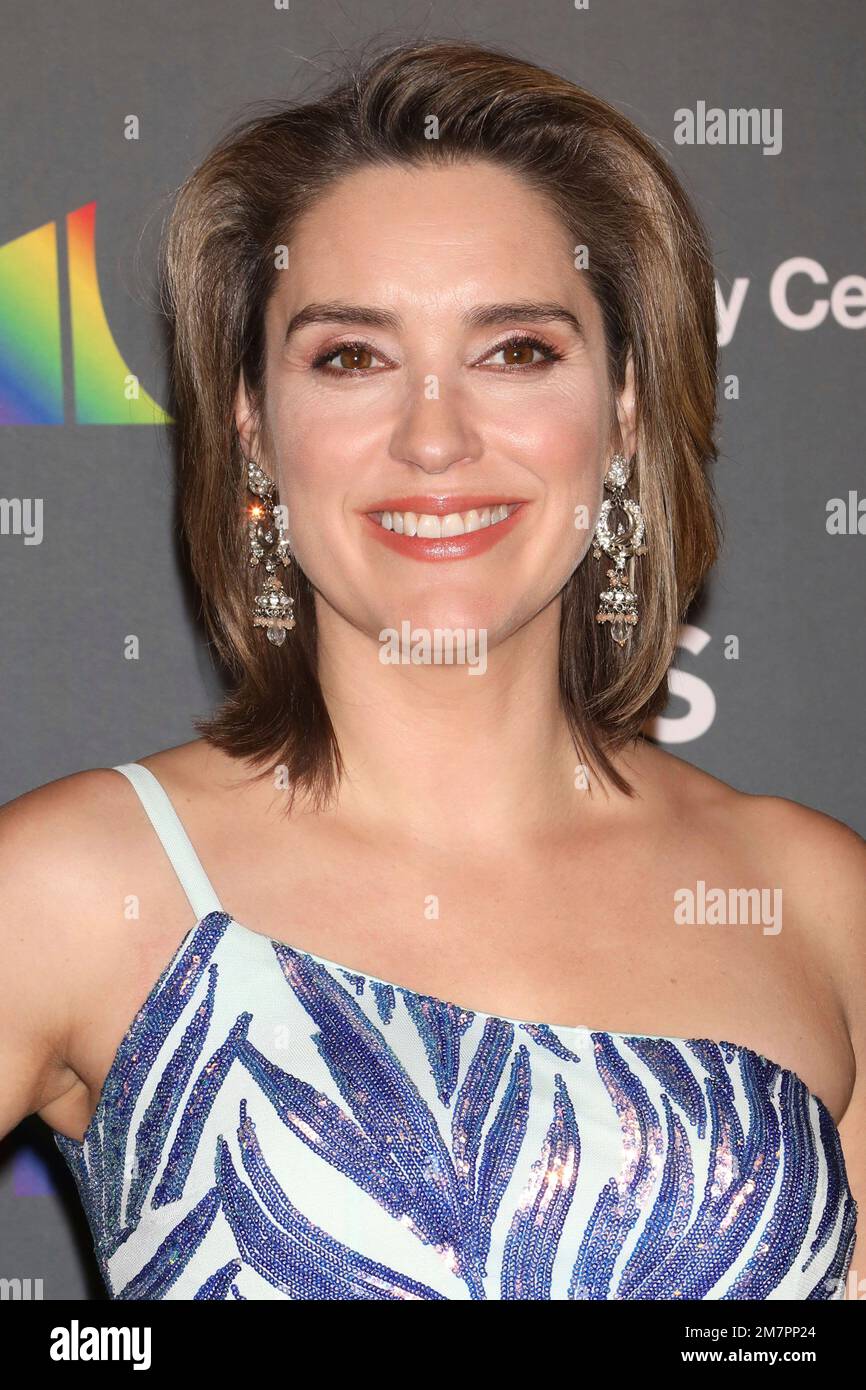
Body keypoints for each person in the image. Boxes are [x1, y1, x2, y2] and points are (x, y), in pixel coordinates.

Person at [1, 39, 862, 1301]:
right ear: (253, 427)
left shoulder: (818, 903)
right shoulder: (77, 885)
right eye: (350, 356)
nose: (435, 435)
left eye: (515, 349)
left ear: (622, 408)